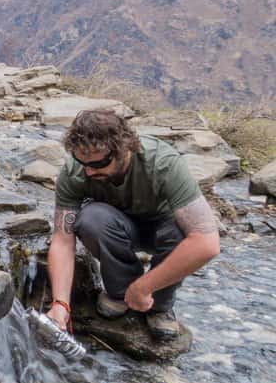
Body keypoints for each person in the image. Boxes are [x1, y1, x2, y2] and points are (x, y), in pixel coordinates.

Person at [45, 109, 220, 340]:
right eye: (81, 161)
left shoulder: (163, 163)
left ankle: (160, 305)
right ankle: (120, 293)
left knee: (180, 232)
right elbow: (62, 240)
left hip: (164, 230)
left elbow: (207, 244)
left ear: (125, 148)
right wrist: (61, 303)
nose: (89, 170)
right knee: (90, 219)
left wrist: (145, 286)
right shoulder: (76, 172)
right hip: (117, 227)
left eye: (99, 163)